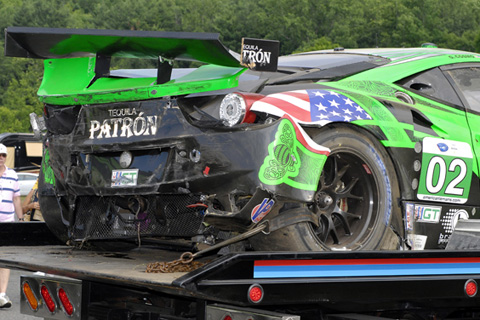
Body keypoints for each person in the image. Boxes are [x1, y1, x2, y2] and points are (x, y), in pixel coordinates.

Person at [0, 143, 24, 308]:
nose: (0, 158)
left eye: (3, 155)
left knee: (4, 260)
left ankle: (2, 294)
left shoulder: (13, 175)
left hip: (7, 222)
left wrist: (21, 219)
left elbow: (16, 199)